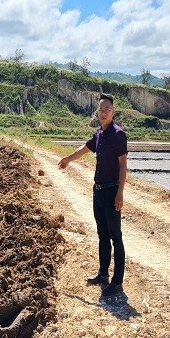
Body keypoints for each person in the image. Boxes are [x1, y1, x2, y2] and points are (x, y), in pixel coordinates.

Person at [57, 93, 128, 296]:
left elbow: (123, 166)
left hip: (112, 190)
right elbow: (85, 148)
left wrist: (120, 193)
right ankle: (103, 274)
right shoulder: (99, 134)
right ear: (98, 112)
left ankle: (117, 281)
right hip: (98, 192)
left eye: (107, 109)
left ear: (113, 112)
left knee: (116, 236)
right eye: (101, 109)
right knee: (102, 235)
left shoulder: (118, 134)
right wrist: (69, 159)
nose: (104, 112)